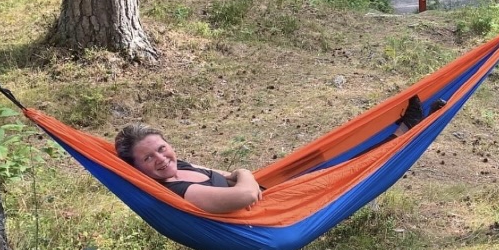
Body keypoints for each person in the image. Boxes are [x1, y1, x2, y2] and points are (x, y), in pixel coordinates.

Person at [116, 95, 440, 214]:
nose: (161, 158)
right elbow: (243, 193)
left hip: (271, 189)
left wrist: (244, 177)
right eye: (149, 158)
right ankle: (408, 132)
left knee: (330, 161)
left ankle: (404, 131)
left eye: (161, 148)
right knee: (347, 172)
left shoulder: (180, 168)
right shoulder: (181, 192)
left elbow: (227, 176)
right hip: (276, 210)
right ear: (137, 169)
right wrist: (244, 174)